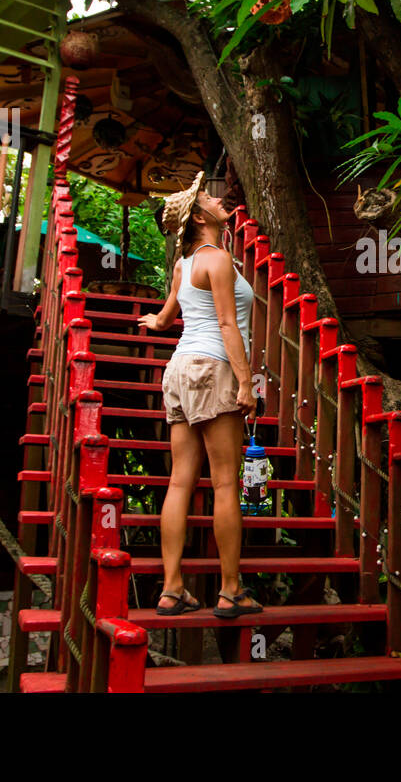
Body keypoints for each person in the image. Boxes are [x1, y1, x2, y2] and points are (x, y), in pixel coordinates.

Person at [138, 171, 263, 618]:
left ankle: (172, 590)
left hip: (179, 370)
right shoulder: (219, 259)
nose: (216, 196)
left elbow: (168, 317)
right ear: (199, 216)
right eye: (207, 196)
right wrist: (246, 382)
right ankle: (231, 591)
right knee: (226, 483)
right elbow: (228, 326)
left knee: (179, 481)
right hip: (214, 368)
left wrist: (152, 322)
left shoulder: (184, 265)